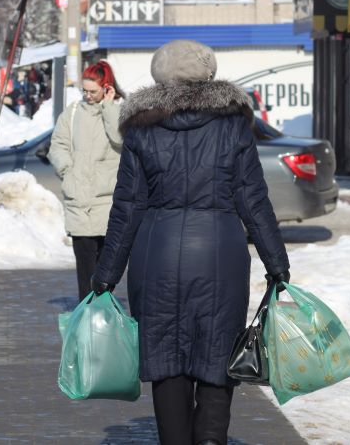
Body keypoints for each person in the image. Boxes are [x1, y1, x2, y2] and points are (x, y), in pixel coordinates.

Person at [91, 40, 291, 445]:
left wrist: (106, 274)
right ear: (208, 73)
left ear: (158, 74)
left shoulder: (141, 129)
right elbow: (253, 199)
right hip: (221, 256)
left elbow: (127, 206)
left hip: (156, 257)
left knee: (165, 360)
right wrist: (277, 264)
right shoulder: (233, 125)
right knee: (218, 355)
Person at [48, 60, 124, 301]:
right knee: (84, 270)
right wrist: (67, 171)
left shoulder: (120, 110)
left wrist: (108, 106)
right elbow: (57, 145)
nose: (88, 96)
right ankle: (87, 315)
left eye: (93, 91)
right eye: (85, 91)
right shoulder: (72, 113)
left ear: (107, 87)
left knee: (107, 270)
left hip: (107, 202)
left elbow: (121, 139)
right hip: (79, 200)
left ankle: (103, 313)